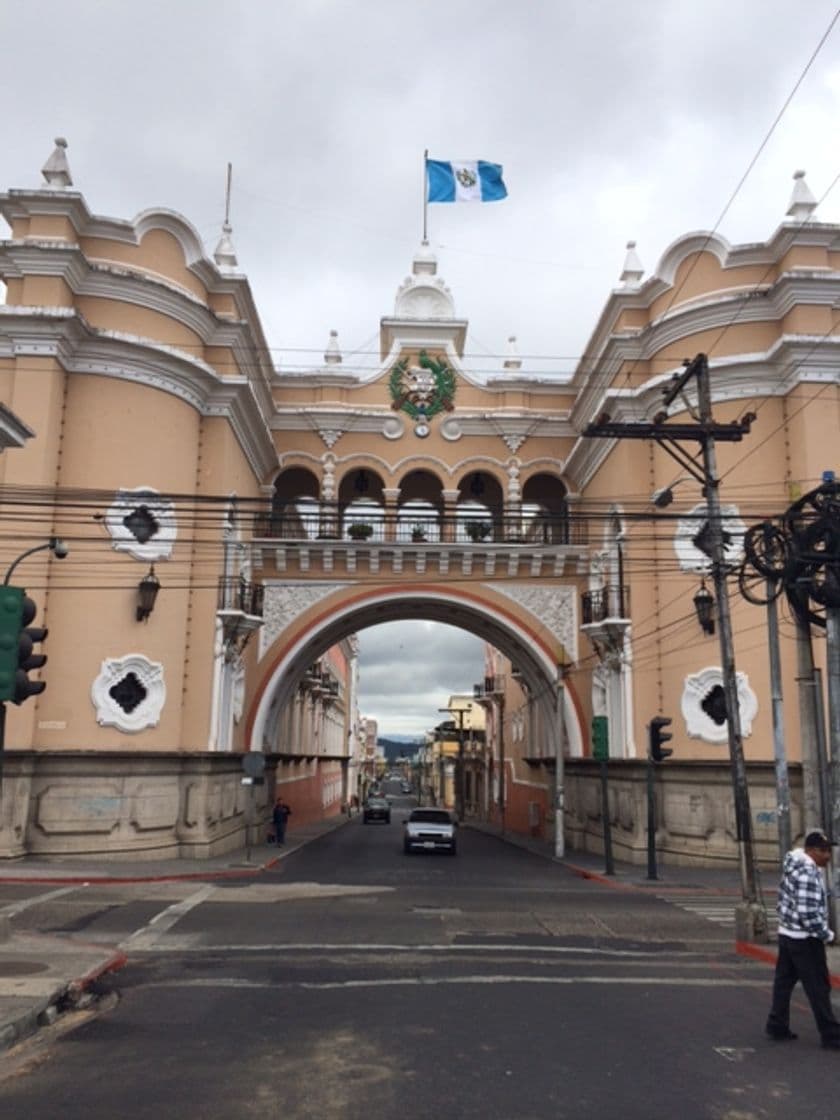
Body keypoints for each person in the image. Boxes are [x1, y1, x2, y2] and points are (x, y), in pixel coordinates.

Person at [766, 829, 840, 1048]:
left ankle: (777, 1024)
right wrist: (827, 935)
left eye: (828, 850)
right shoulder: (807, 871)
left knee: (784, 982)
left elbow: (782, 900)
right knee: (818, 986)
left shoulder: (792, 865)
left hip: (788, 933)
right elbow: (807, 912)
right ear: (810, 850)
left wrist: (787, 922)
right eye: (822, 851)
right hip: (805, 938)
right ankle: (831, 1035)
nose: (827, 855)